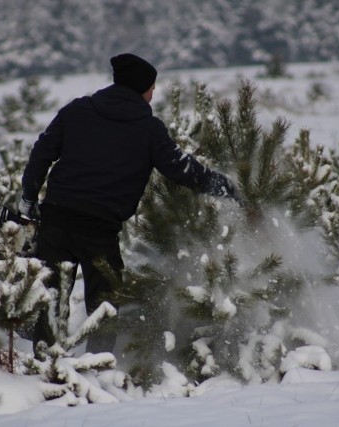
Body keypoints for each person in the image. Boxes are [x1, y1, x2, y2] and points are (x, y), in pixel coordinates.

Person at [19, 53, 237, 355]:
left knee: (51, 298)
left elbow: (41, 153)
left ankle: (42, 362)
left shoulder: (77, 111)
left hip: (57, 219)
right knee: (105, 306)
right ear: (141, 89)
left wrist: (28, 199)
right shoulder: (149, 129)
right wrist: (228, 189)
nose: (154, 93)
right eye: (152, 87)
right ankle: (98, 368)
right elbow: (183, 170)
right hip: (100, 230)